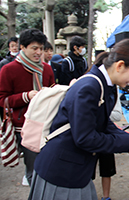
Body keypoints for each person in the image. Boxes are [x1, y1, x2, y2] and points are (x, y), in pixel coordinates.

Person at [28, 38, 129, 200]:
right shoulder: (89, 87)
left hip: (75, 170)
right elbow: (85, 138)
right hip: (61, 171)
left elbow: (103, 123)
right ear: (120, 66)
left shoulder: (105, 85)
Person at [0, 28, 55, 186]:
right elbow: (2, 99)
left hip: (47, 124)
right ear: (22, 47)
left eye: (41, 48)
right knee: (33, 169)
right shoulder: (8, 70)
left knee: (47, 166)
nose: (39, 52)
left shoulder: (47, 69)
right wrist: (26, 96)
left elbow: (52, 90)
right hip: (23, 127)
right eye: (34, 48)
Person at [91, 51, 123, 200]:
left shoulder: (112, 89)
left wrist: (103, 114)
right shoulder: (91, 85)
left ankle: (106, 196)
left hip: (105, 135)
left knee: (107, 169)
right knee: (88, 169)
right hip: (92, 137)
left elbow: (117, 114)